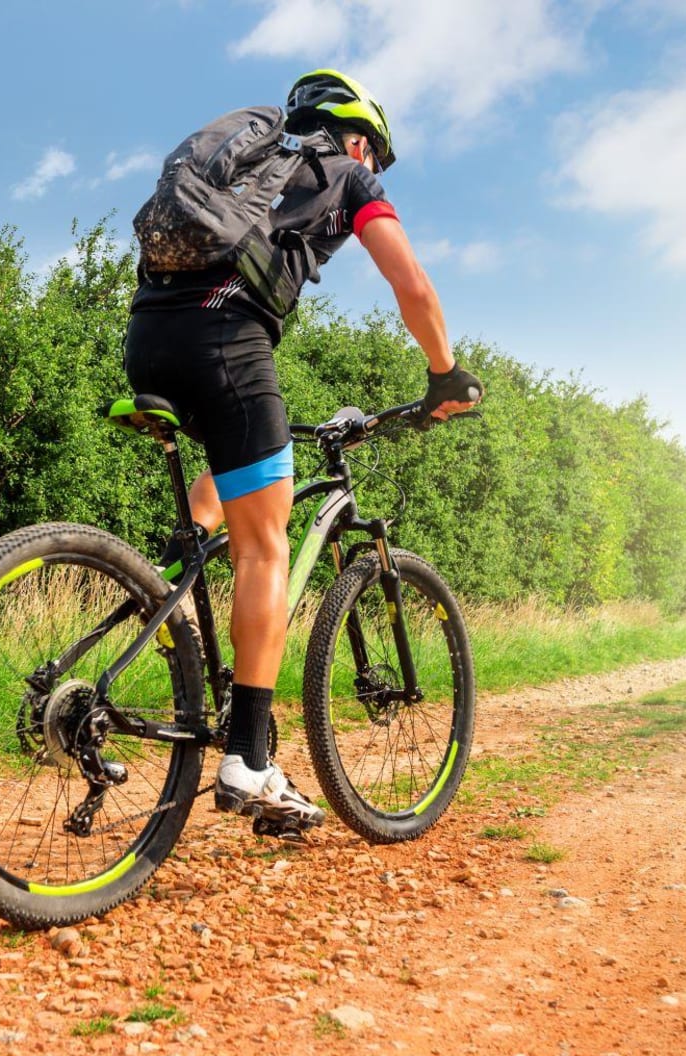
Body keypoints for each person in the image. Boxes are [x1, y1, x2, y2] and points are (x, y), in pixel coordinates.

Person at [122, 69, 482, 836]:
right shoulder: (347, 175)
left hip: (149, 336)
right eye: (374, 156)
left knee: (232, 488)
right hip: (227, 341)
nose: (372, 169)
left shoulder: (249, 165)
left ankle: (172, 603)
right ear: (359, 139)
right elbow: (410, 281)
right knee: (266, 550)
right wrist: (445, 373)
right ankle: (247, 757)